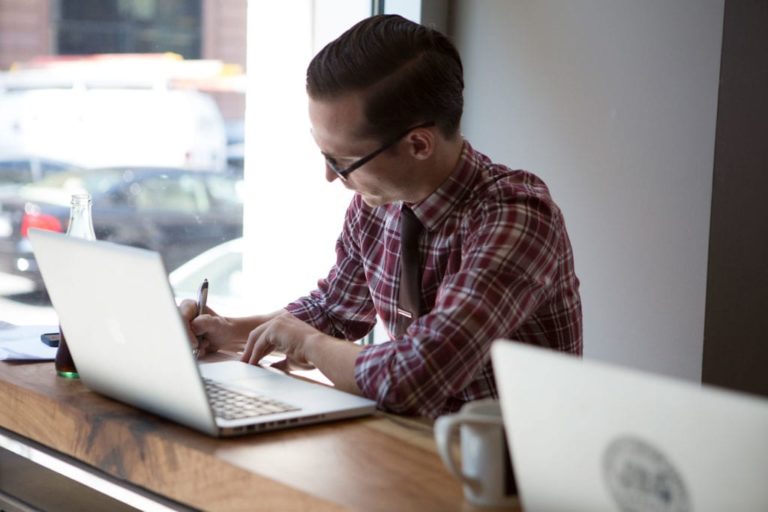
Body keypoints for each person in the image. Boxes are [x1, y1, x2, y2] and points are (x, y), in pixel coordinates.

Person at [181, 14, 582, 419]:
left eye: (343, 161)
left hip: (513, 469)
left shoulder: (518, 219)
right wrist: (228, 332)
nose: (329, 176)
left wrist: (309, 344)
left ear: (419, 144)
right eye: (324, 154)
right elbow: (334, 311)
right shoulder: (377, 202)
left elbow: (412, 378)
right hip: (413, 447)